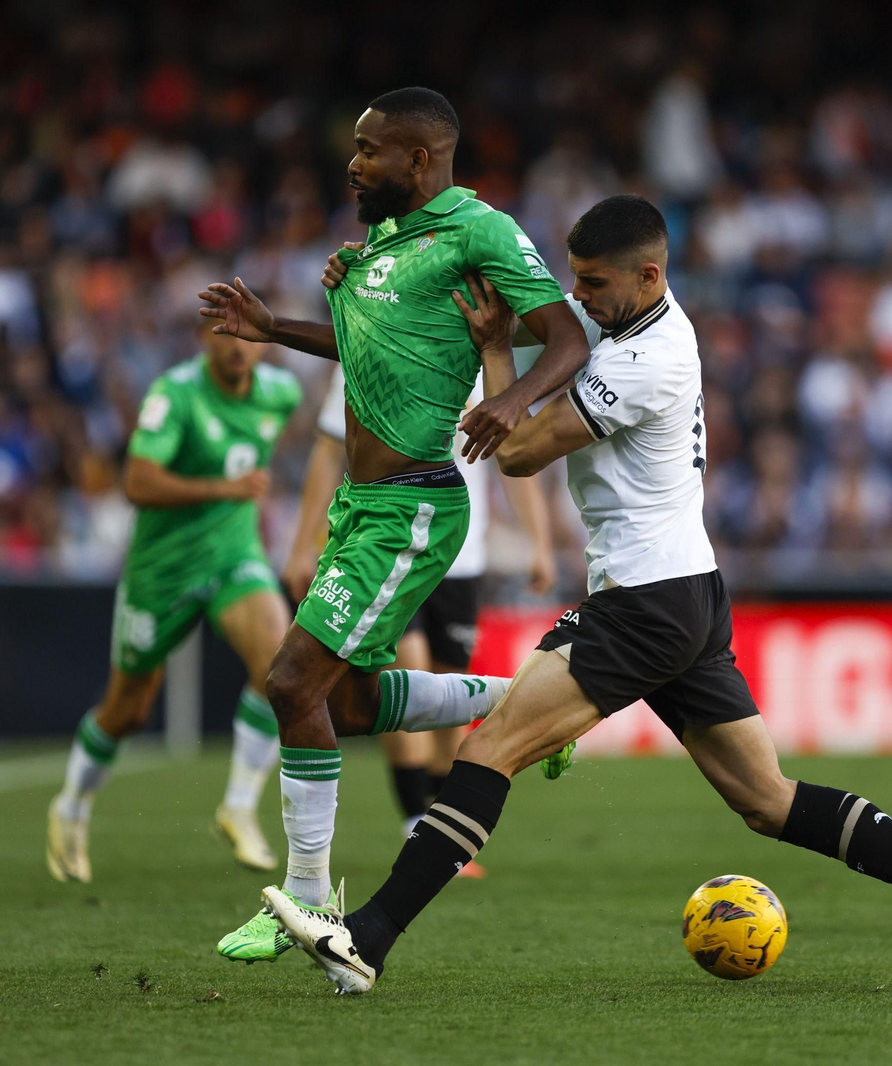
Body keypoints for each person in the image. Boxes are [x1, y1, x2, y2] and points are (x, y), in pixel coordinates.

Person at [264, 194, 892, 995]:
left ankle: (367, 941)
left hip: (643, 600)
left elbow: (516, 452)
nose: (576, 297)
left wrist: (497, 357)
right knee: (766, 800)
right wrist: (367, 290)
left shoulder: (651, 358)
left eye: (591, 283)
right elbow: (484, 326)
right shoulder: (613, 321)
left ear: (649, 275)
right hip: (686, 590)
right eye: (574, 280)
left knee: (489, 752)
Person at [197, 86, 590, 938]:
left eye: (370, 149)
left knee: (290, 681)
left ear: (420, 159)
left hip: (413, 504)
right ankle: (529, 703)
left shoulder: (478, 230)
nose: (354, 162)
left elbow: (567, 334)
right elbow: (370, 341)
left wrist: (513, 400)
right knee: (343, 704)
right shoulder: (383, 240)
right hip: (360, 504)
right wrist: (275, 328)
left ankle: (304, 899)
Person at [45, 315, 301, 882]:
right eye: (222, 334)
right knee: (128, 709)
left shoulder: (281, 394)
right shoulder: (175, 394)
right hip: (161, 572)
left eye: (245, 336)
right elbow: (136, 482)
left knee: (279, 662)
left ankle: (237, 806)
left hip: (234, 556)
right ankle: (71, 806)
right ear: (201, 339)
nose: (236, 347)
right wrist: (223, 489)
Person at [287, 365, 557, 877]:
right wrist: (304, 542)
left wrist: (539, 541)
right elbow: (328, 450)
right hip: (386, 538)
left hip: (460, 552)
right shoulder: (367, 339)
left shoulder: (480, 359)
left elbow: (512, 456)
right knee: (402, 665)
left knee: (444, 688)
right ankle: (414, 816)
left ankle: (434, 822)